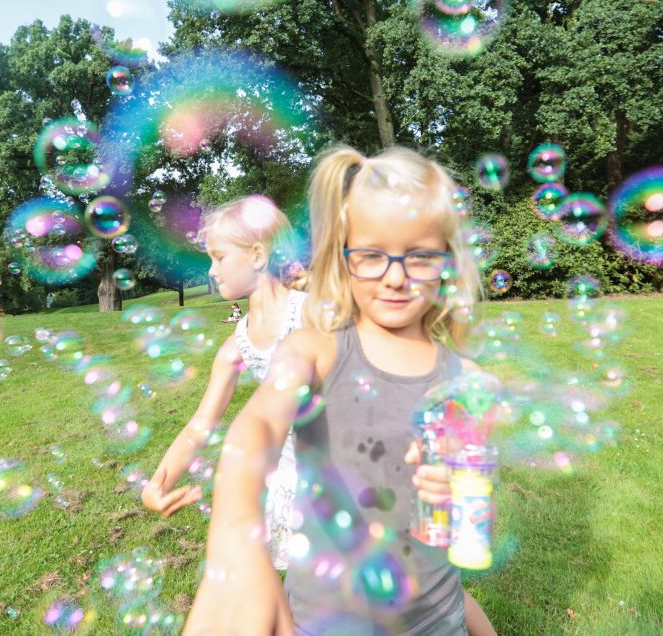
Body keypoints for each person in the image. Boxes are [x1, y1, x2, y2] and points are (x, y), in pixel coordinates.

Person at [185, 146, 497, 635]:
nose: (395, 276)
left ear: (448, 263)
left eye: (419, 256)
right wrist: (233, 539)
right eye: (371, 255)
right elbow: (256, 427)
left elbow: (469, 520)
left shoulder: (469, 382)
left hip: (435, 620)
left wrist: (464, 497)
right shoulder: (312, 352)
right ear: (343, 257)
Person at [141, 194, 308, 571]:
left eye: (219, 257)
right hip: (290, 484)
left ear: (257, 256)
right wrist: (158, 482)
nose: (212, 271)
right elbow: (200, 426)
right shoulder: (237, 345)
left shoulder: (311, 313)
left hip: (342, 475)